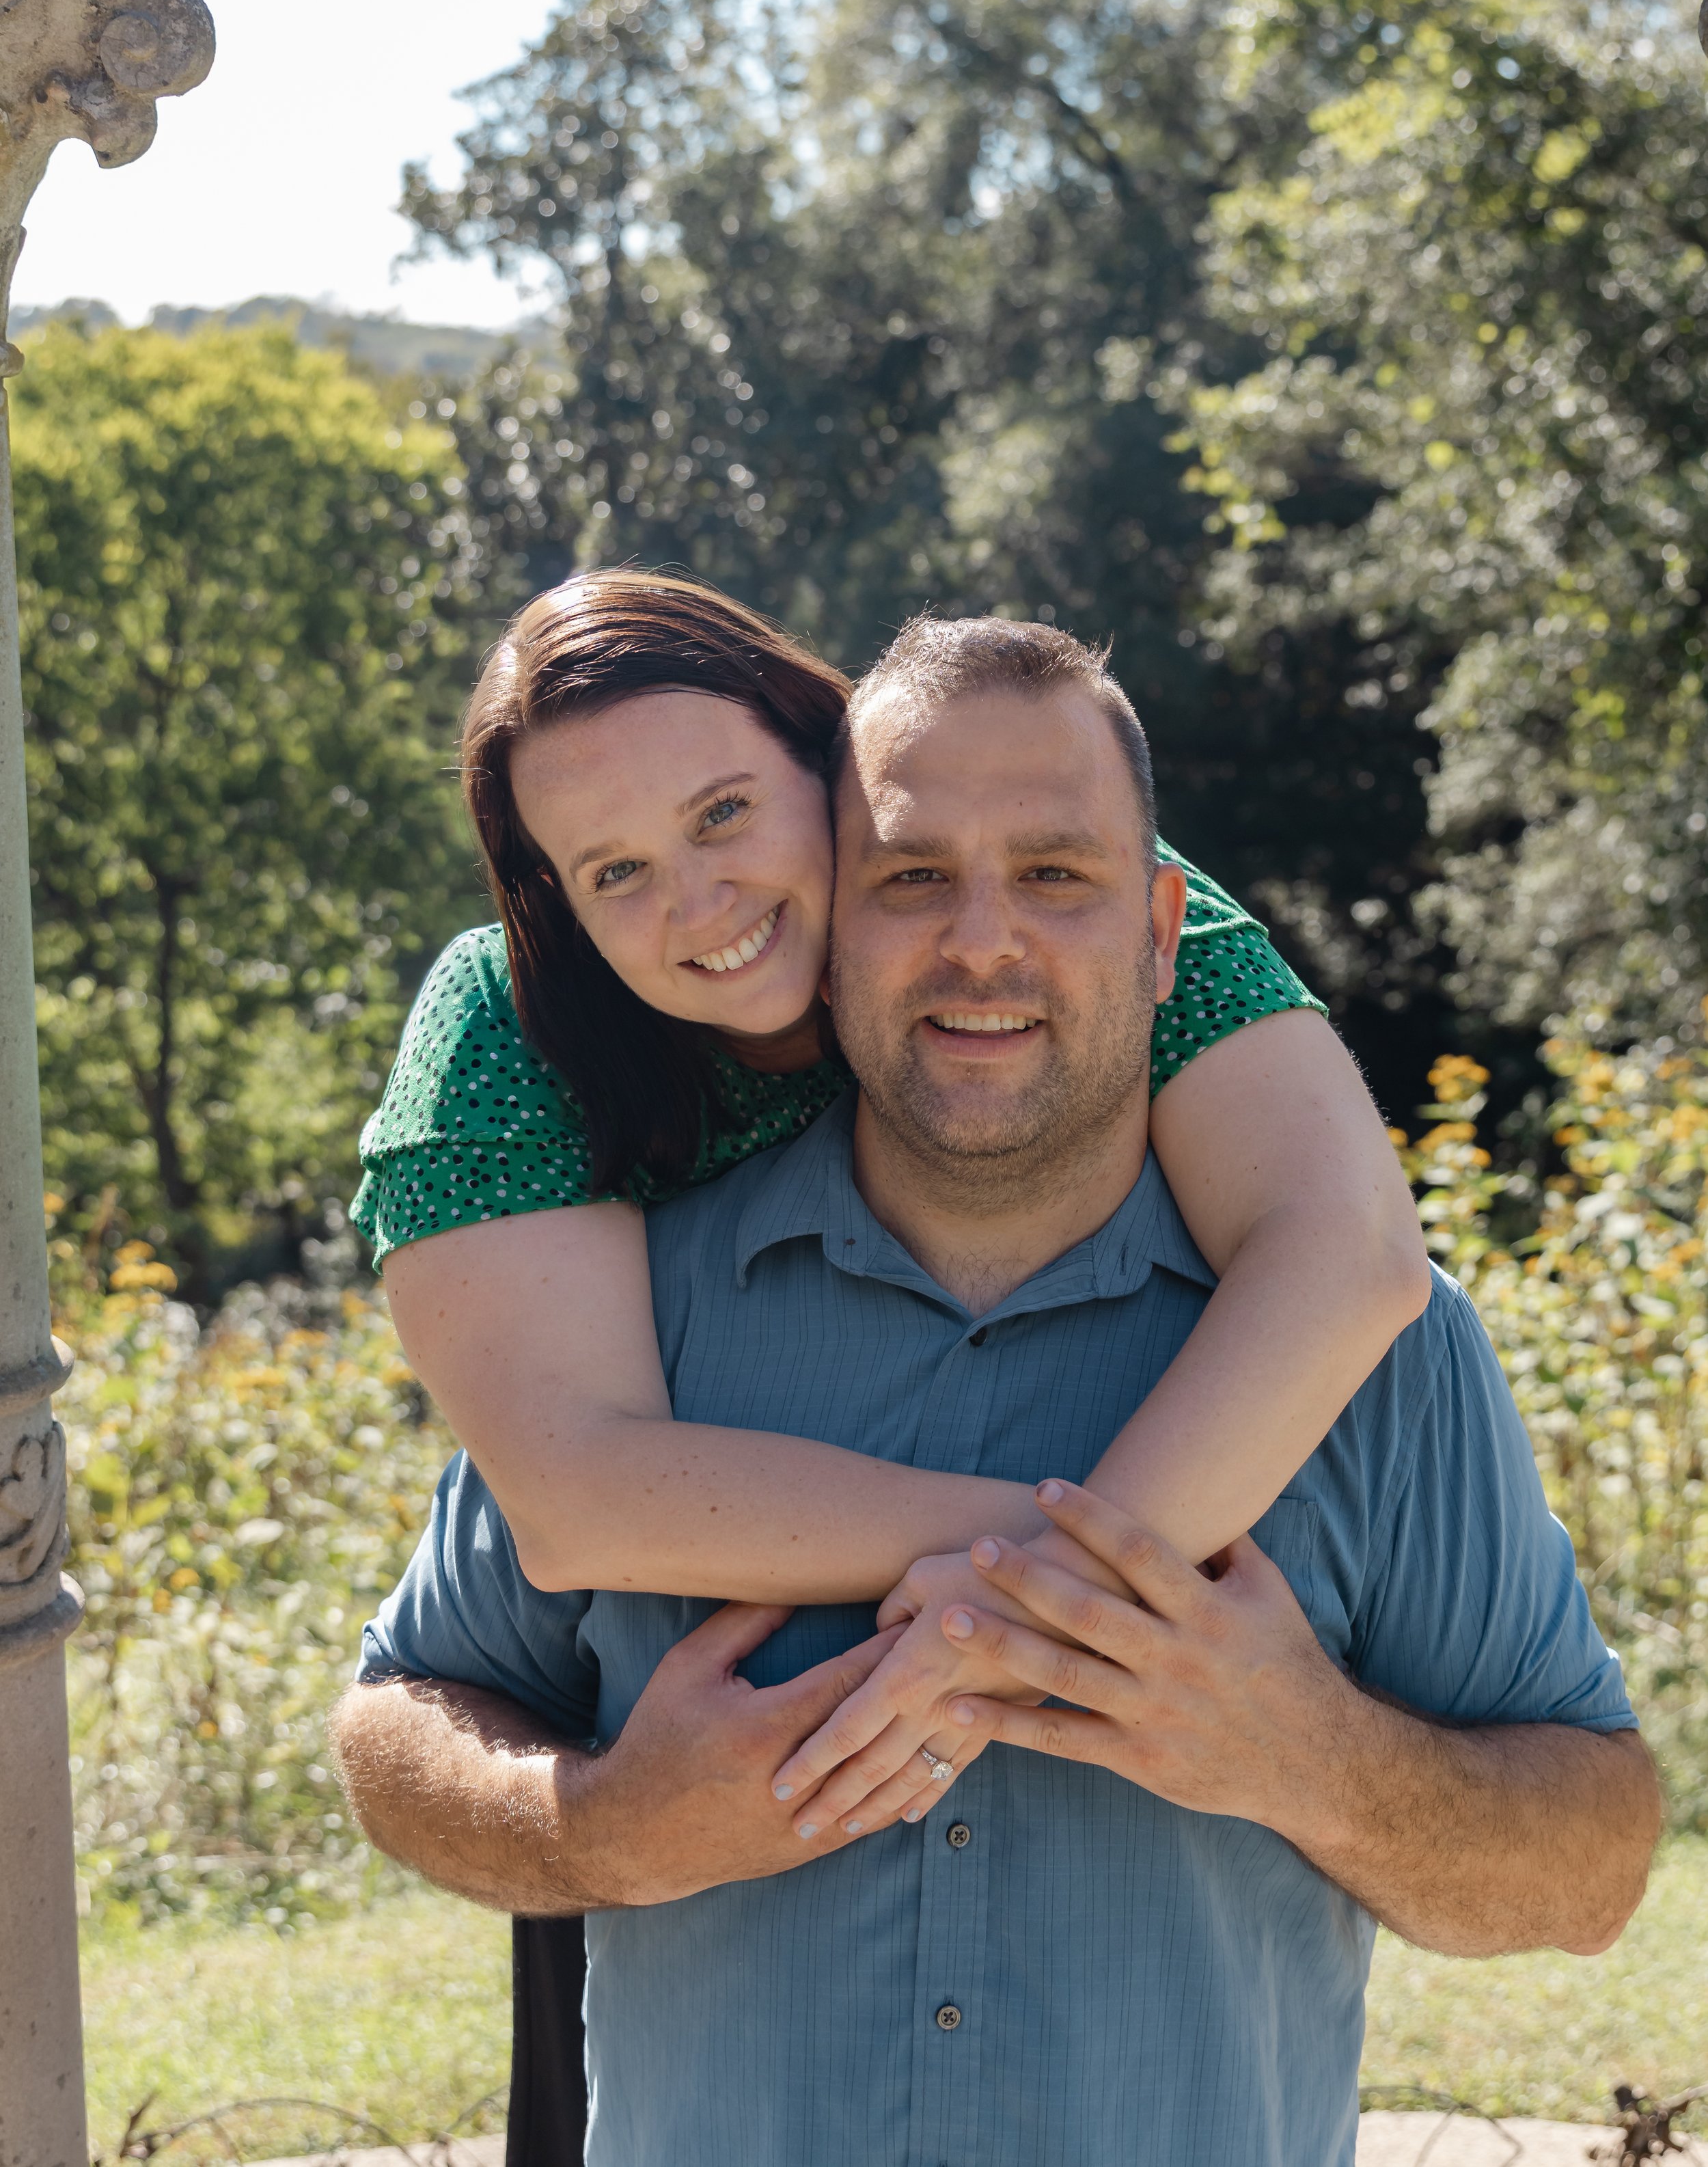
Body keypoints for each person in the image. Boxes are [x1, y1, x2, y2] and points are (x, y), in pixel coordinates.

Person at [334, 616, 1659, 2167]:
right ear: (839, 913)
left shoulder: (1369, 1359)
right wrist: (606, 1828)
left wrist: (1309, 1754)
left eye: (1054, 876)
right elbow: (395, 1726)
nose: (980, 942)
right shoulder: (619, 1319)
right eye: (910, 879)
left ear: (1167, 929)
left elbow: (1593, 1870)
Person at [355, 571, 1430, 1826]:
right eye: (614, 872)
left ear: (827, 758)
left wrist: (1001, 1619)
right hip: (663, 1743)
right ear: (556, 899)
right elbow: (574, 1500)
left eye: (723, 812)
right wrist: (1083, 1563)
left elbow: (1352, 1250)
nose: (699, 904)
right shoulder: (504, 1027)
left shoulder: (1051, 890)